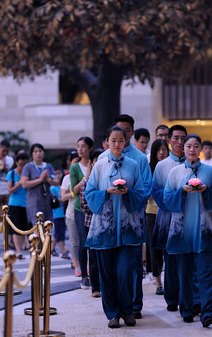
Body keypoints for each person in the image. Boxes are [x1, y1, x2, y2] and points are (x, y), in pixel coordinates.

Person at [84, 126, 147, 328]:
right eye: (113, 140)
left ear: (126, 141)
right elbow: (90, 192)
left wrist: (128, 193)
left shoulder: (133, 165)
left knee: (126, 271)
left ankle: (128, 310)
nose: (117, 144)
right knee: (107, 274)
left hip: (128, 229)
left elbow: (141, 192)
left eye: (121, 140)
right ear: (107, 142)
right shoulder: (100, 165)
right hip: (104, 230)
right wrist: (107, 192)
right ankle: (112, 313)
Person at [163, 134, 212, 328]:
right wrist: (181, 190)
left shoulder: (209, 171)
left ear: (200, 149)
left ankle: (207, 311)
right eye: (188, 146)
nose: (192, 149)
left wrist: (206, 190)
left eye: (196, 146)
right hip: (181, 233)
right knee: (184, 273)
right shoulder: (175, 173)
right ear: (183, 149)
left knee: (206, 273)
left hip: (203, 230)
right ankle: (187, 309)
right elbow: (167, 198)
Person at [99, 114, 152, 319]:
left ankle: (133, 304)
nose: (120, 138)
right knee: (111, 267)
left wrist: (130, 197)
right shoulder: (103, 159)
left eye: (126, 132)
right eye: (116, 133)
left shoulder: (138, 159)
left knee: (131, 266)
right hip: (108, 221)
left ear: (131, 132)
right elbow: (92, 188)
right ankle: (114, 309)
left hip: (131, 218)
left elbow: (145, 187)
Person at [151, 124, 195, 312]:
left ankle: (189, 296)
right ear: (168, 140)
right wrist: (176, 200)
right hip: (168, 217)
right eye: (176, 138)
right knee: (170, 258)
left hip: (189, 217)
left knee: (189, 258)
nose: (179, 142)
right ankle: (171, 297)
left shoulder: (193, 163)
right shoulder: (162, 166)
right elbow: (157, 192)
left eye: (183, 138)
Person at [70, 136, 94, 289]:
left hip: (94, 208)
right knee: (83, 240)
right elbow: (75, 190)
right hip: (80, 208)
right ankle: (84, 275)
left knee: (93, 241)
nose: (80, 149)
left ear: (90, 148)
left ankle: (94, 273)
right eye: (78, 146)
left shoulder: (96, 163)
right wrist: (87, 175)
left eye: (83, 146)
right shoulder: (74, 167)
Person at [79, 148, 104, 298]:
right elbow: (84, 205)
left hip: (108, 223)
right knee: (93, 257)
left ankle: (106, 285)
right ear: (92, 163)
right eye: (96, 161)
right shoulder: (86, 182)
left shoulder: (108, 180)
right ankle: (95, 287)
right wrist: (102, 203)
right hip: (91, 223)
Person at [146, 139, 169, 295]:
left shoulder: (171, 168)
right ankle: (158, 281)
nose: (161, 153)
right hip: (152, 212)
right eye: (158, 150)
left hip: (168, 212)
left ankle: (171, 280)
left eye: (164, 149)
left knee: (169, 247)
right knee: (154, 248)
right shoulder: (148, 169)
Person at [21, 143, 59, 227]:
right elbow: (24, 184)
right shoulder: (28, 167)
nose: (38, 153)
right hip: (33, 200)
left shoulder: (48, 166)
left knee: (47, 225)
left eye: (40, 151)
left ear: (43, 153)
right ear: (32, 154)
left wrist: (48, 179)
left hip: (46, 199)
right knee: (36, 225)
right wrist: (40, 179)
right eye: (35, 151)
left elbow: (57, 181)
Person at [6, 152, 30, 259]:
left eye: (24, 164)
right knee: (16, 229)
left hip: (27, 204)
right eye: (20, 164)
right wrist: (20, 183)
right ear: (16, 163)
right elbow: (9, 190)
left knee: (24, 229)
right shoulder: (11, 174)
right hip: (15, 204)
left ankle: (20, 249)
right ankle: (18, 251)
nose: (22, 167)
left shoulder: (29, 173)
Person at [61, 151, 80, 275]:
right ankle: (76, 263)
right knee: (74, 241)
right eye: (74, 162)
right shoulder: (67, 177)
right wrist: (74, 192)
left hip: (85, 212)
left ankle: (85, 263)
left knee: (85, 241)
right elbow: (63, 197)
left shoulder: (85, 174)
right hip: (72, 213)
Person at [50, 168, 70, 259]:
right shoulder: (52, 188)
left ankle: (52, 248)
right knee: (60, 232)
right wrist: (62, 198)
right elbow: (53, 200)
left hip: (63, 213)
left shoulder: (63, 186)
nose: (58, 176)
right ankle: (63, 250)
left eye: (59, 173)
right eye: (55, 174)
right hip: (57, 213)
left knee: (58, 231)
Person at [0, 140, 14, 220]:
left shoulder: (10, 159)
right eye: (3, 151)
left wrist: (4, 166)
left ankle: (8, 232)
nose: (5, 153)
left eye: (7, 151)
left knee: (8, 216)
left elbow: (11, 174)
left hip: (7, 190)